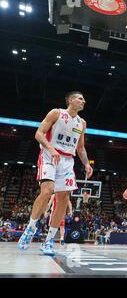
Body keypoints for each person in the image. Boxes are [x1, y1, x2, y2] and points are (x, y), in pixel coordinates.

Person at [18, 92, 93, 255]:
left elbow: (80, 147)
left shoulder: (82, 123)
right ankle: (30, 229)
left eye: (84, 99)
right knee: (46, 191)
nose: (83, 101)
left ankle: (49, 240)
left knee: (64, 198)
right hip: (49, 155)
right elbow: (39, 133)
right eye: (80, 98)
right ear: (70, 100)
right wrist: (51, 149)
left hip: (67, 160)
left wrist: (86, 163)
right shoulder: (56, 113)